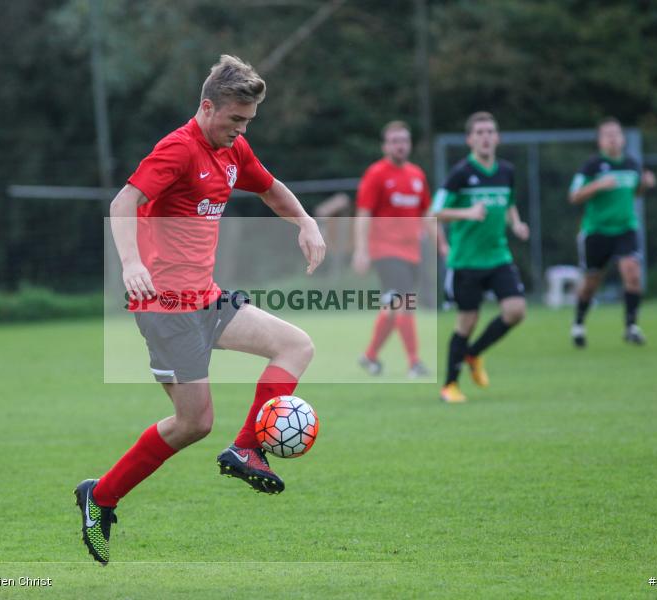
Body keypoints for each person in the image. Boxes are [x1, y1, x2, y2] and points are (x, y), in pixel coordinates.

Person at [75, 55, 326, 565]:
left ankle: (246, 448)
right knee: (193, 423)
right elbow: (124, 202)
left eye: (248, 122)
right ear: (207, 106)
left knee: (295, 344)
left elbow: (271, 188)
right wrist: (130, 265)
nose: (240, 130)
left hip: (206, 297)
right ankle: (99, 497)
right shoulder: (178, 148)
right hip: (166, 305)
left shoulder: (232, 150)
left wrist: (306, 222)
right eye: (234, 119)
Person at [431, 112, 529, 403]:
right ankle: (449, 385)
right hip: (466, 261)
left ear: (497, 138)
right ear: (470, 139)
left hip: (498, 256)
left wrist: (517, 223)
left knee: (516, 311)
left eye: (490, 132)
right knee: (467, 322)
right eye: (480, 132)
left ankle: (473, 354)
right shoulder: (461, 173)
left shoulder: (507, 171)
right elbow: (435, 211)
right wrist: (467, 213)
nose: (486, 137)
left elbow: (509, 203)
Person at [352, 121, 446, 378]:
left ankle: (370, 356)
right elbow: (364, 214)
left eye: (404, 140)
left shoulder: (417, 175)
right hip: (385, 252)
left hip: (412, 253)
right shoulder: (376, 174)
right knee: (405, 303)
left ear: (410, 144)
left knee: (394, 307)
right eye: (395, 141)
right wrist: (361, 250)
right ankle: (415, 363)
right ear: (385, 145)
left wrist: (441, 242)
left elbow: (427, 213)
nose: (400, 145)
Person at [568, 117, 656, 347]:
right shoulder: (592, 166)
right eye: (607, 135)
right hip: (596, 232)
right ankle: (578, 324)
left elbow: (636, 193)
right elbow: (574, 196)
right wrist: (597, 185)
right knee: (591, 284)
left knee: (632, 273)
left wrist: (645, 184)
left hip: (625, 228)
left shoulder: (631, 164)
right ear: (600, 141)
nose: (613, 139)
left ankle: (631, 326)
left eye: (616, 134)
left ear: (623, 138)